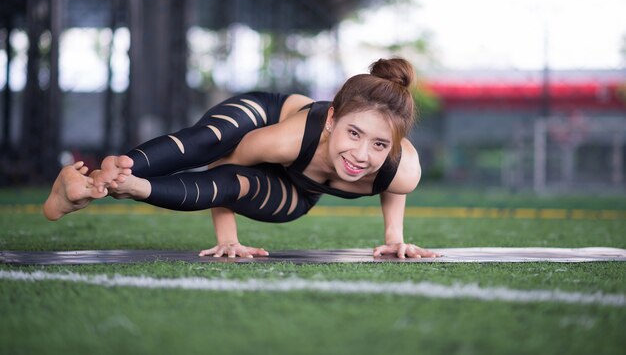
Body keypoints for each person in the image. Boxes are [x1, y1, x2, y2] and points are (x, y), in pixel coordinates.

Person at [43, 57, 439, 259]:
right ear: (332, 120)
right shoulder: (285, 139)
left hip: (296, 188)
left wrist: (394, 238)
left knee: (252, 191)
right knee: (208, 141)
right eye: (354, 133)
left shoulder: (402, 170)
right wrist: (227, 239)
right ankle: (104, 175)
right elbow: (224, 165)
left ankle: (127, 184)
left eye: (379, 145)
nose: (360, 155)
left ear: (395, 146)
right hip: (263, 120)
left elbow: (392, 185)